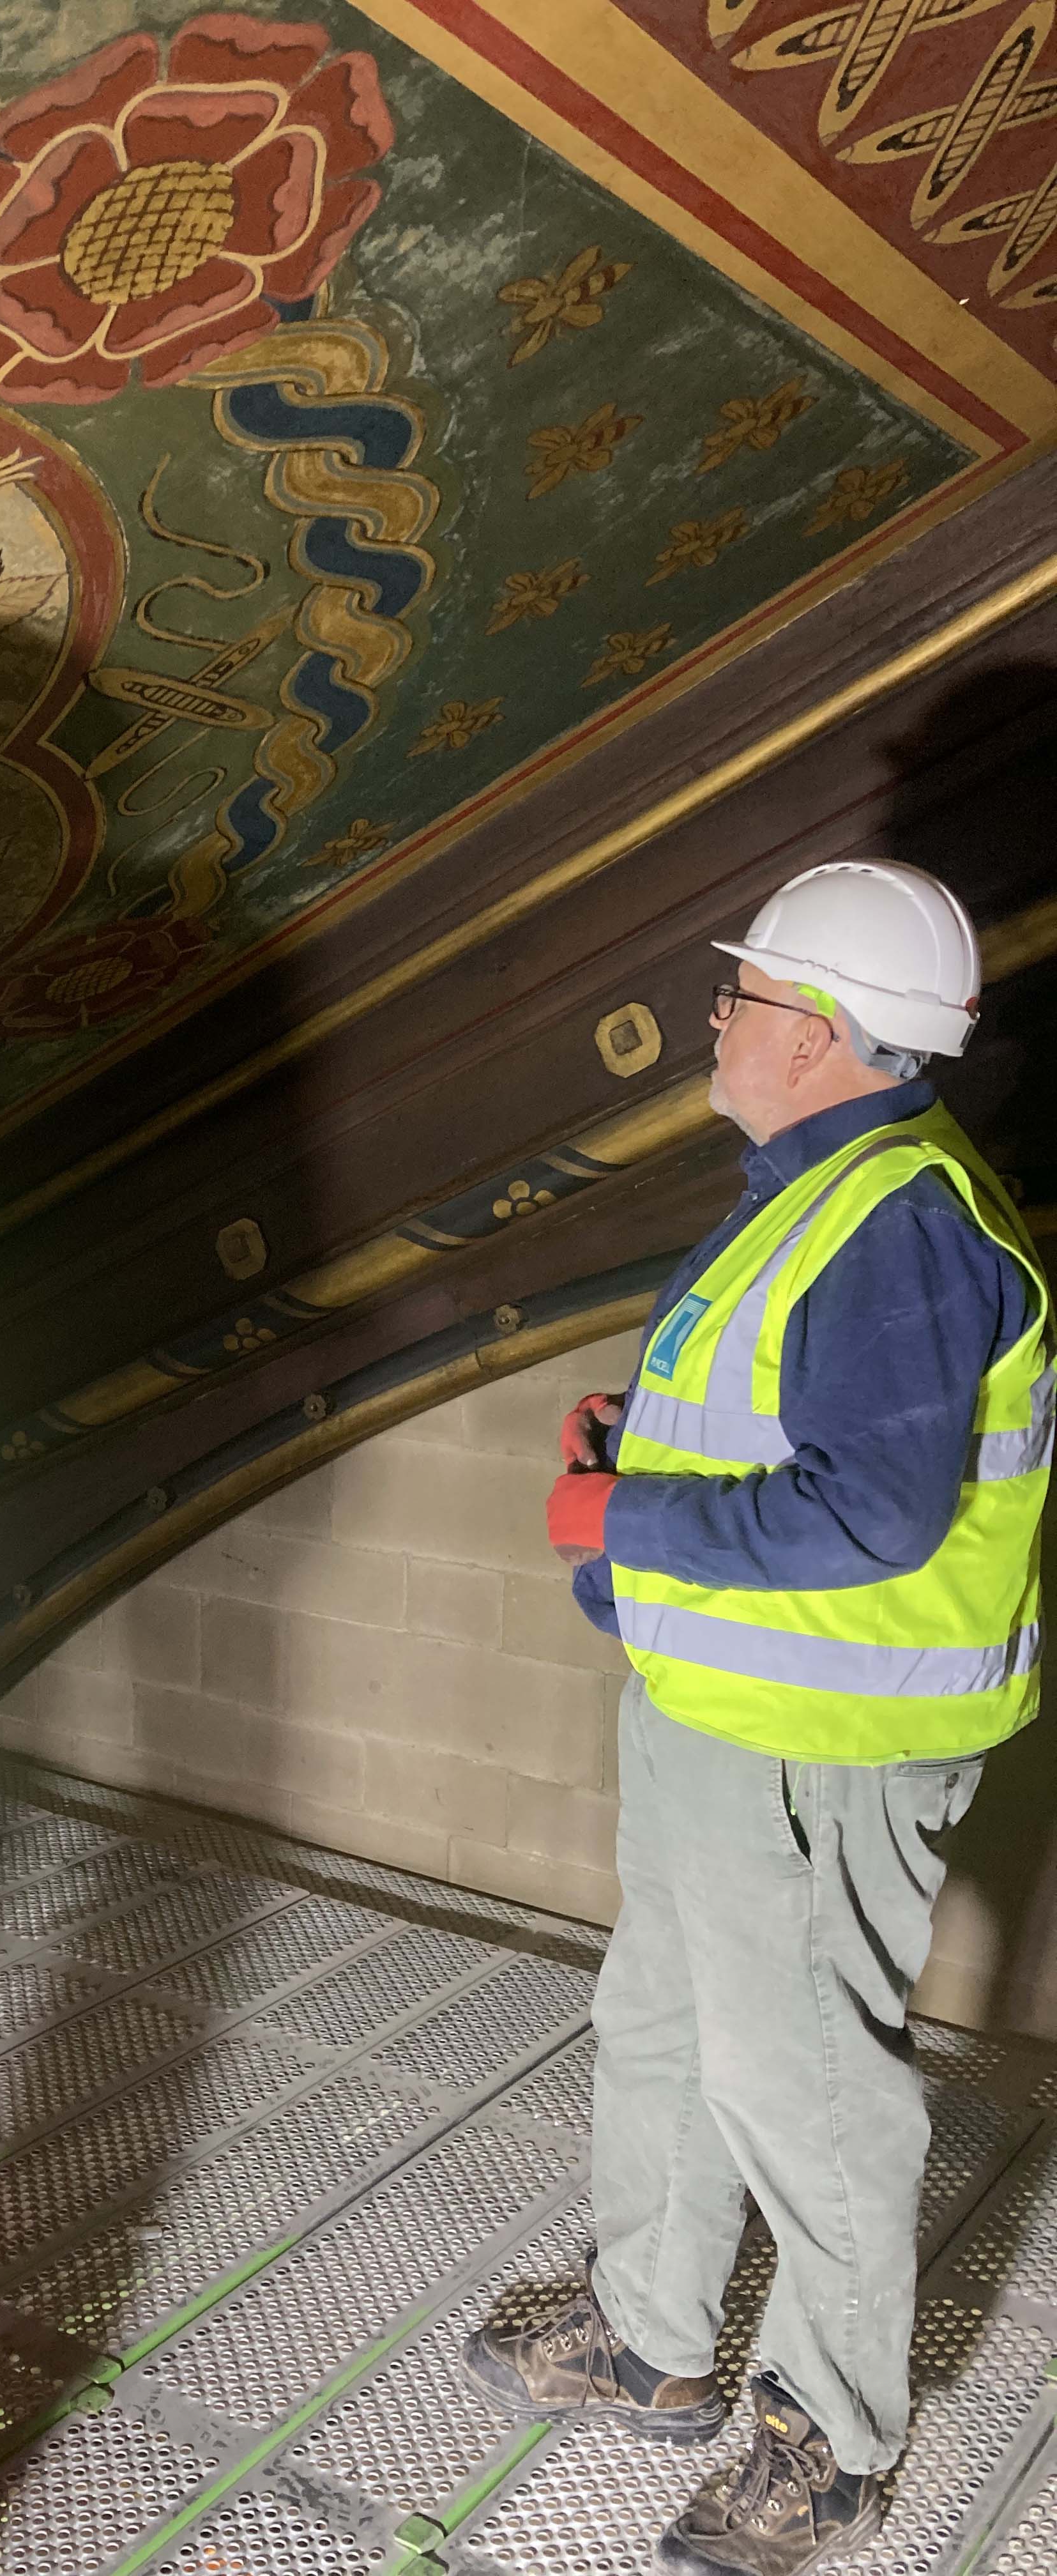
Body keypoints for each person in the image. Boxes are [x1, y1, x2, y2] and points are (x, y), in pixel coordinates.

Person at [459, 860, 1049, 2575]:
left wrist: (622, 1521)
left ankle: (832, 2438)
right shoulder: (822, 1188)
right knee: (662, 2027)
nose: (715, 1016)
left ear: (822, 1035)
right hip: (725, 1713)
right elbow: (778, 1442)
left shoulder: (905, 1229)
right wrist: (635, 1468)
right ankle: (651, 2343)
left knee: (805, 2089)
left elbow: (872, 1516)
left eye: (744, 995)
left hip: (822, 1750)